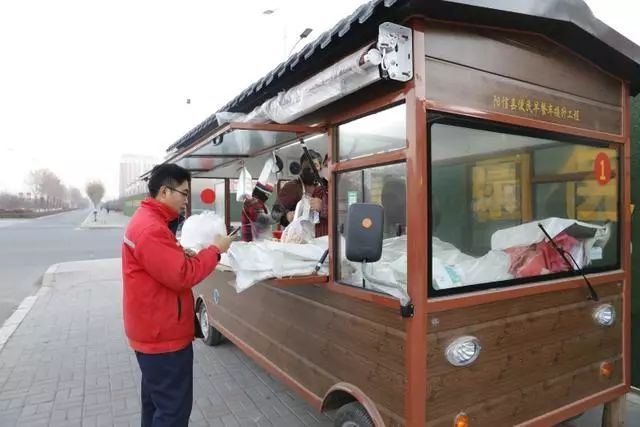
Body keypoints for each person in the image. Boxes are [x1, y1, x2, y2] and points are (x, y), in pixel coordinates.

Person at [121, 164, 232, 427]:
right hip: (162, 337)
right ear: (163, 191)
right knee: (172, 412)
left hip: (153, 330)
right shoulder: (152, 229)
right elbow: (182, 276)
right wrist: (215, 250)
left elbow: (163, 265)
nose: (185, 200)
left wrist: (180, 253)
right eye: (182, 193)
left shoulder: (149, 222)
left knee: (155, 406)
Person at [273, 149, 328, 236]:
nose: (310, 170)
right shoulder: (291, 187)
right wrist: (286, 216)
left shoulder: (327, 187)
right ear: (301, 168)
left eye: (315, 165)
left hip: (323, 238)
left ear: (320, 167)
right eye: (307, 166)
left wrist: (324, 207)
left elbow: (340, 213)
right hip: (299, 240)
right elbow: (275, 214)